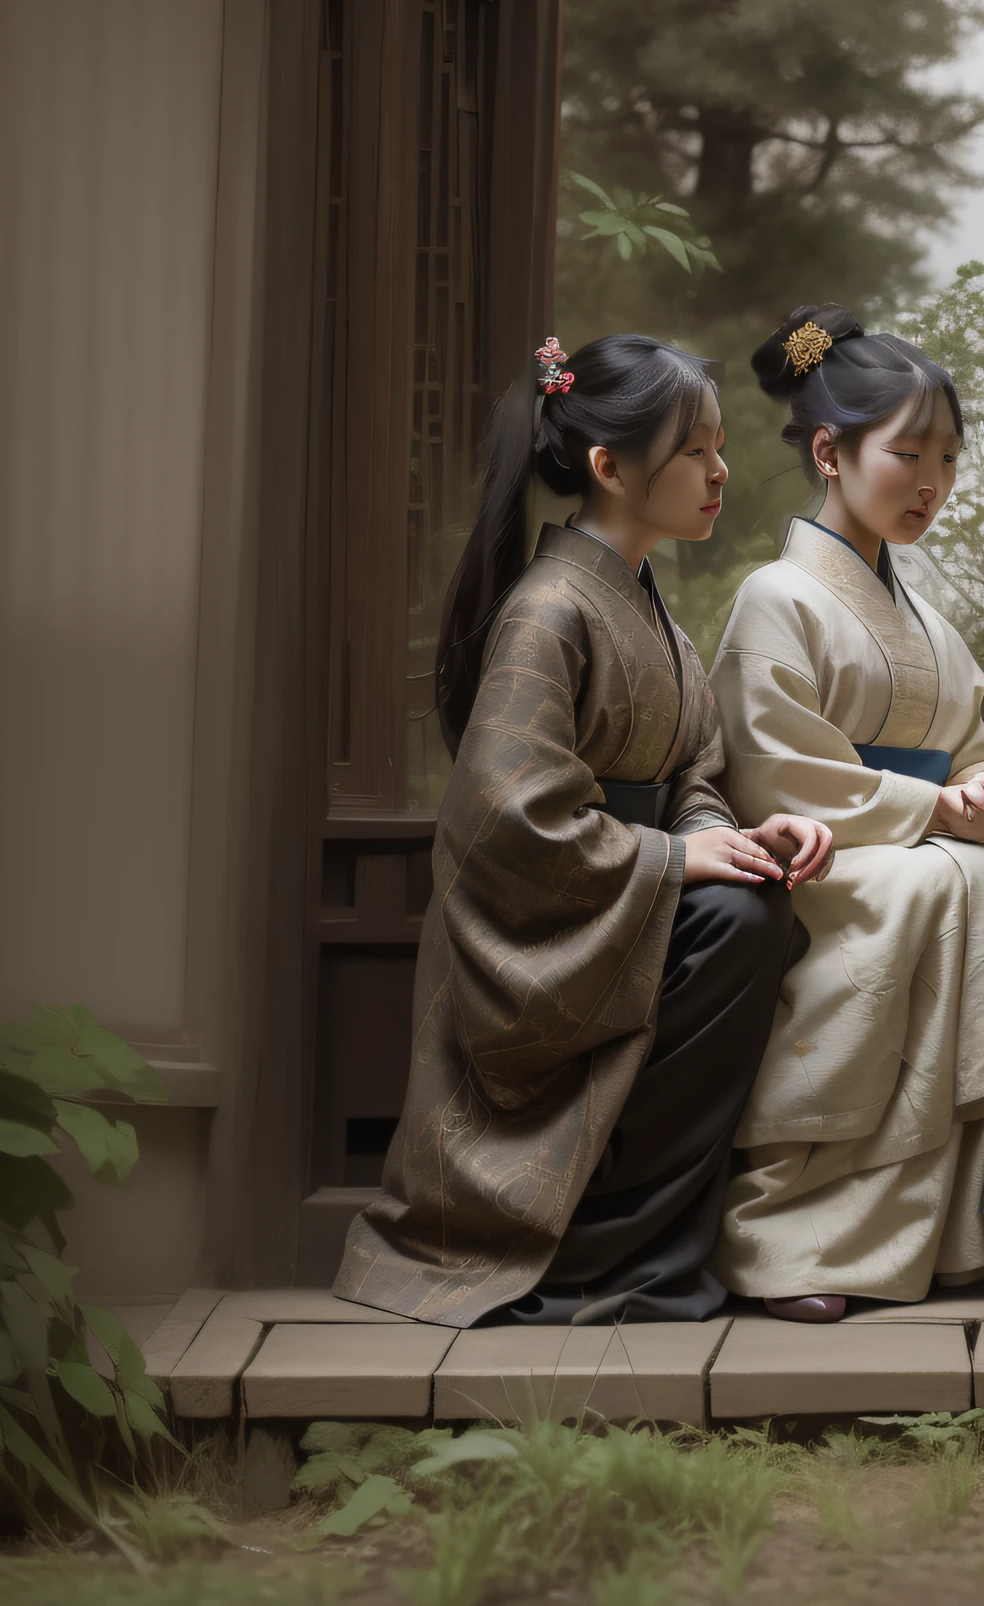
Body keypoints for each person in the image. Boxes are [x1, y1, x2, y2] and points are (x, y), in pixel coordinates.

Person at [335, 334, 832, 1327]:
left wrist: (730, 833)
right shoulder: (549, 609)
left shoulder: (655, 615)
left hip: (614, 894)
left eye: (720, 448)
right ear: (609, 465)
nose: (721, 471)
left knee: (751, 908)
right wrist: (669, 856)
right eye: (695, 450)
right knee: (737, 923)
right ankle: (588, 1248)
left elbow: (691, 766)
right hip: (542, 928)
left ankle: (640, 1247)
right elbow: (508, 818)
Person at [708, 306, 984, 1321]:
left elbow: (970, 750)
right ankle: (797, 1228)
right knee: (926, 879)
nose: (931, 482)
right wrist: (941, 808)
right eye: (906, 453)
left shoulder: (923, 619)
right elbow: (777, 775)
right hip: (816, 848)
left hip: (903, 835)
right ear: (829, 451)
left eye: (948, 458)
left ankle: (964, 1224)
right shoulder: (775, 596)